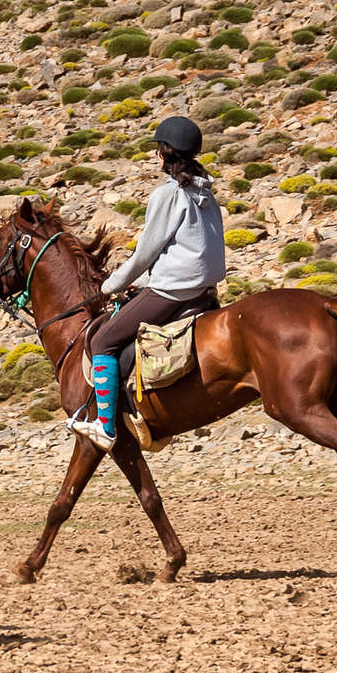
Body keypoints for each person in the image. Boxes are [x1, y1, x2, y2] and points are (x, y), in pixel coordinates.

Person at [67, 115, 226, 451]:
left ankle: (106, 425)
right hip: (203, 290)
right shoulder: (205, 192)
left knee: (105, 340)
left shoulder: (167, 195)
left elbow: (144, 254)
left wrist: (110, 285)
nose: (156, 154)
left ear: (165, 153)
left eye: (158, 148)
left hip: (174, 291)